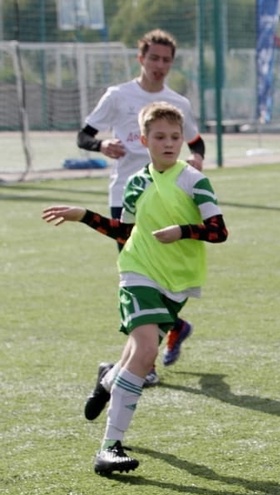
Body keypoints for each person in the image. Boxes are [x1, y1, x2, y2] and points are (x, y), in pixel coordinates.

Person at [43, 101, 228, 476]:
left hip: (176, 284)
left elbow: (219, 231)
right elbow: (124, 233)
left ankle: (108, 380)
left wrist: (183, 231)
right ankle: (109, 447)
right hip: (137, 270)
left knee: (136, 358)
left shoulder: (194, 180)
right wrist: (84, 216)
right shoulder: (136, 182)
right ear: (143, 139)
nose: (169, 143)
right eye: (160, 136)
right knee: (145, 353)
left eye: (175, 137)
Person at [78, 28, 206, 383]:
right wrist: (101, 146)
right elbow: (84, 134)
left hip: (169, 203)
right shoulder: (118, 96)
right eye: (154, 58)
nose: (160, 66)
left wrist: (196, 159)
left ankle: (146, 358)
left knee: (159, 276)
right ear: (141, 59)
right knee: (135, 275)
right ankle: (164, 338)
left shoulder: (178, 103)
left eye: (166, 60)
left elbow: (197, 143)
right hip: (126, 197)